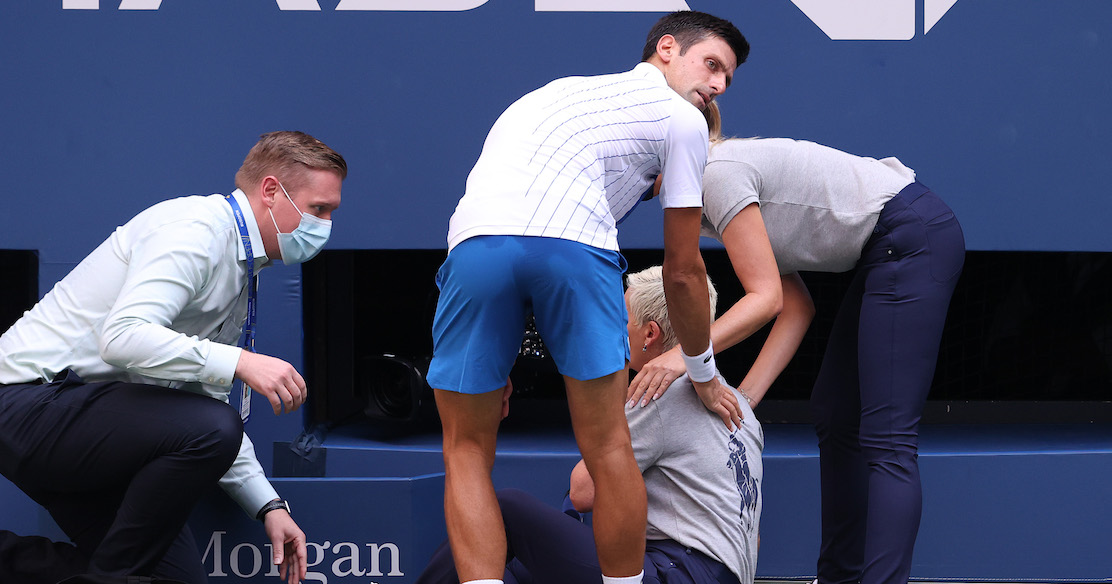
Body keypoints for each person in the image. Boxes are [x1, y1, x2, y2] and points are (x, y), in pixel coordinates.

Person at [424, 11, 749, 584]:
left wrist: (497, 360)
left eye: (728, 77)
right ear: (667, 49)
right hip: (574, 253)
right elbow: (682, 272)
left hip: (473, 251)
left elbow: (514, 237)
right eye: (714, 65)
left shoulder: (553, 94)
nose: (719, 85)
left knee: (466, 450)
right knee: (607, 445)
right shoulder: (684, 119)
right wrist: (700, 368)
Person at [628, 103, 966, 584]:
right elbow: (796, 305)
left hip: (911, 236)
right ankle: (837, 577)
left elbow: (765, 300)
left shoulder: (719, 176)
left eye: (643, 169)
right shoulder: (713, 188)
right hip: (889, 246)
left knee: (888, 439)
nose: (642, 185)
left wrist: (686, 359)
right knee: (833, 409)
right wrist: (743, 402)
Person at [0, 131, 347, 584]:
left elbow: (201, 401)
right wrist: (241, 361)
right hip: (26, 405)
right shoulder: (196, 231)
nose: (324, 225)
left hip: (86, 427)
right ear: (269, 191)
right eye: (318, 209)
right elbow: (122, 338)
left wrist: (268, 504)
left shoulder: (242, 263)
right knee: (211, 429)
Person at [417, 265, 763, 584]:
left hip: (677, 571)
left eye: (619, 319)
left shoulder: (659, 391)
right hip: (711, 572)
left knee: (506, 510)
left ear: (650, 333)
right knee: (513, 570)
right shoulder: (739, 406)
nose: (613, 327)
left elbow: (583, 492)